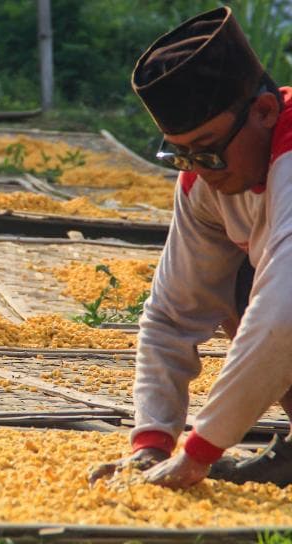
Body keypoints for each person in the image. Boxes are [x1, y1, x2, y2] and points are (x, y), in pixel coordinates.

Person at [89, 6, 292, 489]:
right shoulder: (203, 183)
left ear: (264, 113)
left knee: (271, 296)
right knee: (235, 286)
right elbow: (172, 315)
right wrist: (152, 443)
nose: (200, 168)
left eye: (206, 148)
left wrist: (198, 452)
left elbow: (284, 315)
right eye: (182, 154)